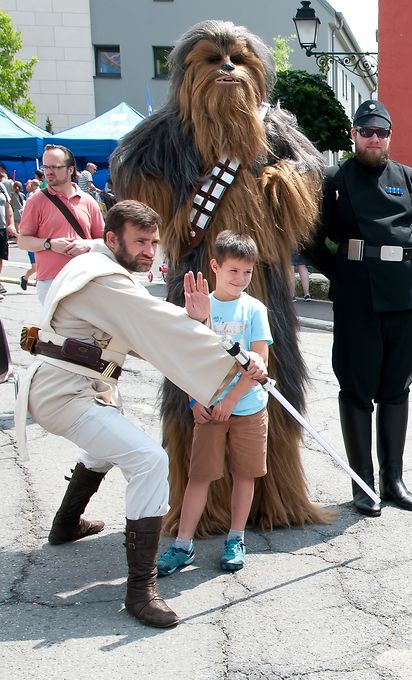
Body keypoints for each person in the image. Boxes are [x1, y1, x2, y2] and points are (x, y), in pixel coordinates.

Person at [17, 201, 269, 627]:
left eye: (154, 242)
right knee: (149, 460)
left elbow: (142, 334)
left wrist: (196, 326)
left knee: (105, 445)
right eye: (141, 241)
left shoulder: (97, 269)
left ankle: (66, 523)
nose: (151, 250)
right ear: (111, 239)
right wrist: (229, 354)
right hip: (65, 392)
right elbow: (153, 327)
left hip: (79, 388)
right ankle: (141, 590)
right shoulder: (103, 281)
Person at [308, 99, 412, 516]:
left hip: (402, 297)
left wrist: (404, 273)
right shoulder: (334, 179)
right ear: (354, 135)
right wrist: (341, 272)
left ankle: (394, 480)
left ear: (390, 136)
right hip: (356, 298)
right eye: (367, 132)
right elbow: (311, 238)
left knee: (397, 388)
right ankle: (363, 483)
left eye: (381, 132)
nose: (375, 139)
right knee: (358, 390)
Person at [158, 231, 272, 576]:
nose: (240, 279)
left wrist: (232, 399)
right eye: (233, 271)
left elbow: (259, 363)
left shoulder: (254, 309)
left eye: (247, 273)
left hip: (249, 408)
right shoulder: (199, 306)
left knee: (244, 475)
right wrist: (196, 400)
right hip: (208, 409)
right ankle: (182, 545)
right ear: (215, 266)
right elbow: (191, 361)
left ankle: (235, 539)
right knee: (200, 475)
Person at [17, 144, 105, 303]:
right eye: (45, 167)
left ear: (70, 169)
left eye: (55, 167)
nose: (48, 172)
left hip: (86, 279)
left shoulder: (88, 201)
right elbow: (22, 241)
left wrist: (87, 245)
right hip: (52, 282)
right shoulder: (35, 201)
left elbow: (105, 240)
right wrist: (49, 244)